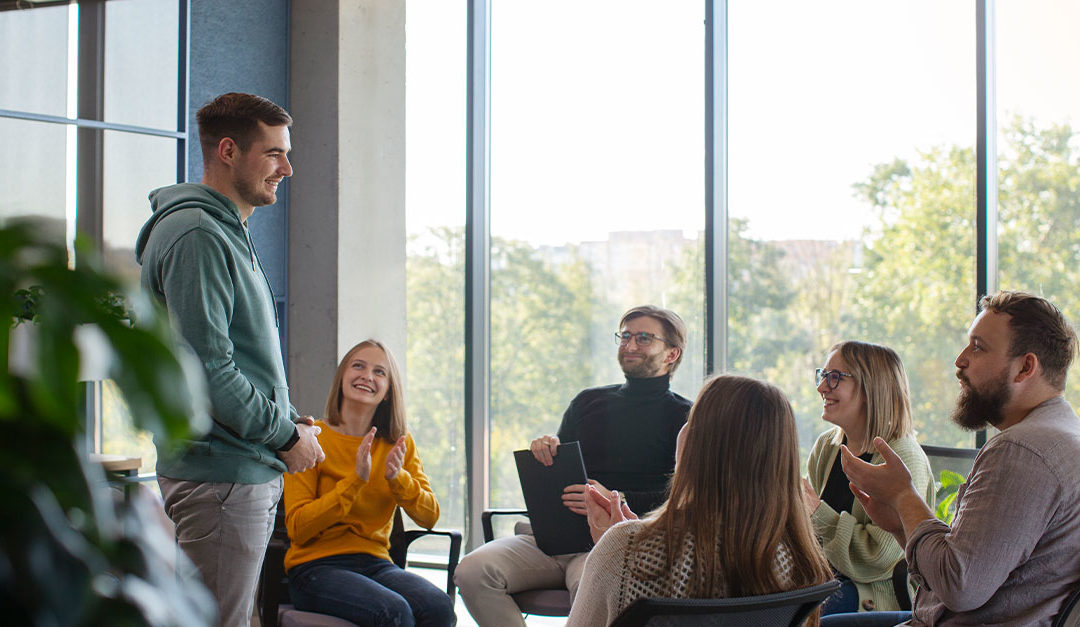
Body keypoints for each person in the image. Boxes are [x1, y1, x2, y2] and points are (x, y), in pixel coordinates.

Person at [135, 92, 324, 626]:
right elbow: (209, 370)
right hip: (221, 478)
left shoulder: (221, 230)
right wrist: (286, 437)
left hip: (235, 471)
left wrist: (286, 421)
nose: (287, 168)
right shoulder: (198, 234)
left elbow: (236, 357)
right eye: (274, 154)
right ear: (227, 150)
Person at [826, 291, 1080, 626]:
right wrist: (902, 525)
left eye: (978, 347)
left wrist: (904, 496)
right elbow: (971, 567)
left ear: (1025, 367)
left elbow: (960, 587)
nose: (960, 360)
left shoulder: (1021, 452)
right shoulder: (1063, 435)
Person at [454, 305, 693, 626]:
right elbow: (561, 469)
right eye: (625, 336)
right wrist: (546, 449)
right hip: (554, 539)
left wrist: (614, 498)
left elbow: (683, 497)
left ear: (672, 353)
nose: (630, 345)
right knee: (471, 571)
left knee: (595, 591)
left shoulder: (686, 418)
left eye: (644, 338)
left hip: (616, 543)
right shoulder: (587, 402)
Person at [566, 374, 835, 626]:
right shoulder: (796, 557)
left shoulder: (624, 548)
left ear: (700, 445)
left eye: (692, 419)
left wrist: (619, 548)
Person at [283, 339, 455, 626]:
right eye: (358, 366)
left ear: (388, 391)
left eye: (380, 372)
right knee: (393, 613)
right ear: (342, 377)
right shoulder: (312, 438)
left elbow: (429, 517)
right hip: (314, 568)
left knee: (439, 607)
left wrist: (398, 478)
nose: (367, 376)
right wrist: (355, 482)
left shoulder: (398, 443)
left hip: (376, 564)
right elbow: (298, 528)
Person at [804, 341, 934, 614]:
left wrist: (817, 514)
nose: (822, 387)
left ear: (871, 389)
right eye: (823, 375)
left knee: (802, 613)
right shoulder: (826, 447)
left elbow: (879, 558)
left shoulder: (902, 458)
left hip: (873, 596)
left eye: (835, 377)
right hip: (826, 580)